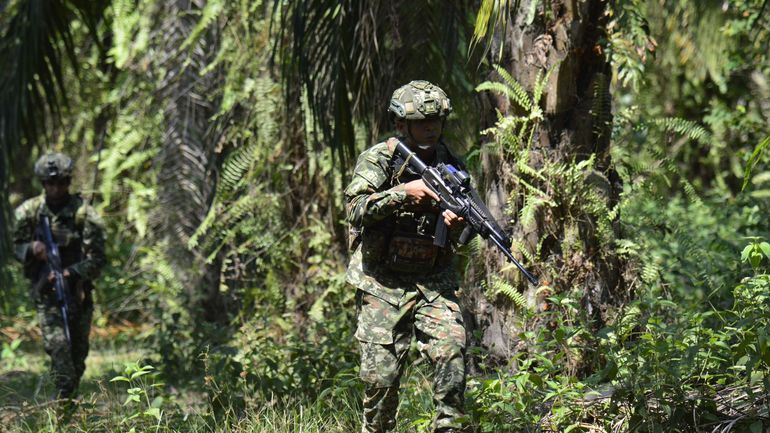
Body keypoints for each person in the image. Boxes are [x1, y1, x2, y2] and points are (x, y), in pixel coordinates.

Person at [345, 80, 468, 433]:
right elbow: (355, 209)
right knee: (381, 381)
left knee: (452, 355)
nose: (431, 128)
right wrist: (403, 193)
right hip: (382, 283)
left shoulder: (453, 168)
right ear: (401, 124)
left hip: (433, 284)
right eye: (421, 122)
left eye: (436, 121)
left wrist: (456, 224)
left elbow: (464, 240)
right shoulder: (379, 159)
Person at [12, 152, 106, 400]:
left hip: (78, 293)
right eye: (50, 183)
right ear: (43, 184)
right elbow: (13, 245)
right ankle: (64, 405)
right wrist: (31, 249)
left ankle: (69, 400)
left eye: (61, 182)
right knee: (60, 350)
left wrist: (71, 273)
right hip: (47, 294)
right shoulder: (29, 211)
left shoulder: (85, 214)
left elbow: (98, 260)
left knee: (77, 356)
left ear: (68, 181)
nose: (56, 188)